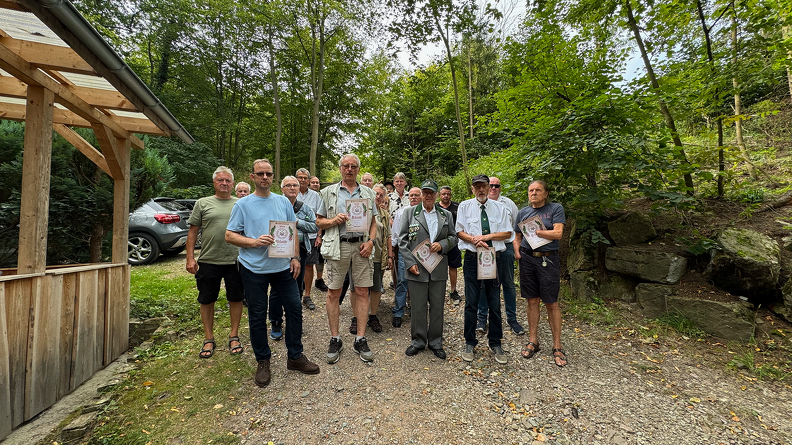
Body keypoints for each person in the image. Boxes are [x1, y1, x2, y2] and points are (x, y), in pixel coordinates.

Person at [226, 159, 319, 388]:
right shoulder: (243, 205)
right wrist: (253, 241)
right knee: (257, 315)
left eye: (268, 173)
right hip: (253, 269)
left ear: (273, 176)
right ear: (253, 177)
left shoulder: (283, 202)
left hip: (282, 268)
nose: (265, 177)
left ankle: (295, 357)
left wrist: (295, 257)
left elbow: (292, 230)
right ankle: (263, 361)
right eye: (260, 174)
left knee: (295, 309)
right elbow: (229, 235)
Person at [316, 154, 379, 363]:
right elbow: (319, 222)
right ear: (340, 169)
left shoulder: (369, 193)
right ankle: (335, 338)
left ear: (358, 170)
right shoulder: (327, 193)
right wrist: (334, 220)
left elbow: (373, 223)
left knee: (362, 291)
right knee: (334, 292)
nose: (349, 169)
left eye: (353, 166)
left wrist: (370, 242)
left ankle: (360, 338)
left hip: (362, 246)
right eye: (346, 166)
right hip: (338, 246)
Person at [186, 166, 245, 359]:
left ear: (233, 183)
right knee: (207, 299)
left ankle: (234, 335)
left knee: (236, 298)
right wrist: (189, 257)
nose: (224, 183)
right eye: (220, 180)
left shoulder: (240, 204)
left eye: (228, 180)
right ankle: (209, 338)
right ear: (214, 182)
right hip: (209, 259)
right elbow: (193, 232)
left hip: (235, 260)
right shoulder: (203, 203)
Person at [456, 174, 513, 364]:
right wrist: (473, 240)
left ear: (490, 188)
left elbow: (507, 233)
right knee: (471, 302)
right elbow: (459, 231)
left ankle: (495, 341)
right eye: (477, 186)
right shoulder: (465, 206)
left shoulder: (500, 208)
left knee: (494, 302)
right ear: (472, 189)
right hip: (473, 258)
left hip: (493, 258)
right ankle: (470, 342)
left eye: (484, 186)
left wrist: (486, 238)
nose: (481, 190)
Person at [399, 179, 457, 359]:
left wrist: (442, 244)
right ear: (421, 194)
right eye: (426, 192)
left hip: (438, 266)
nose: (429, 195)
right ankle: (417, 341)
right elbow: (402, 241)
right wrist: (410, 263)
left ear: (437, 194)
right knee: (417, 306)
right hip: (417, 267)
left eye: (432, 192)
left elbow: (454, 238)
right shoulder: (410, 213)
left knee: (437, 306)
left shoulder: (445, 215)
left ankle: (435, 342)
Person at [514, 180, 567, 367]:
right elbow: (517, 236)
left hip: (548, 258)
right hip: (527, 259)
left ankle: (557, 346)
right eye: (530, 190)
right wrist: (517, 251)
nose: (533, 193)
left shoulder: (555, 208)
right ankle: (533, 340)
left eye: (537, 190)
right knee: (532, 300)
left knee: (551, 302)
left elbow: (558, 233)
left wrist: (538, 232)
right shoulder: (523, 212)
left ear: (545, 193)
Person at [268, 175, 319, 341]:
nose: (292, 188)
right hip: (279, 251)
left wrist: (297, 222)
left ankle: (294, 322)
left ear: (299, 188)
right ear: (281, 188)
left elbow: (314, 225)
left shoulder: (305, 207)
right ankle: (276, 321)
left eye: (295, 185)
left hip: (301, 251)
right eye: (288, 185)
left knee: (297, 288)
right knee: (276, 289)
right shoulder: (273, 205)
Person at [477, 177, 524, 335]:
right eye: (490, 185)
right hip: (485, 249)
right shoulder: (477, 203)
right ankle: (482, 318)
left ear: (500, 187)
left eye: (496, 186)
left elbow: (517, 229)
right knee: (484, 284)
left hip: (506, 247)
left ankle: (512, 319)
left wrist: (517, 249)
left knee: (508, 284)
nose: (493, 188)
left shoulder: (508, 204)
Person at [390, 187, 421, 327]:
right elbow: (396, 232)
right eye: (412, 195)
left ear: (421, 196)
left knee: (420, 281)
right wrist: (392, 250)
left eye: (416, 195)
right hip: (405, 251)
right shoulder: (401, 212)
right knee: (402, 281)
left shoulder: (426, 212)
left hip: (423, 252)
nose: (413, 197)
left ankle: (417, 309)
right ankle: (398, 311)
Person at [296, 168, 325, 310]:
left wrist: (319, 235)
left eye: (305, 178)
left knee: (308, 265)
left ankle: (307, 295)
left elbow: (320, 217)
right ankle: (295, 294)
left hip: (312, 236)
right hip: (292, 237)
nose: (302, 180)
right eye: (299, 177)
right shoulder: (287, 194)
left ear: (309, 180)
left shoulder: (315, 196)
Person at [438, 186, 462, 305]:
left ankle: (453, 290)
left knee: (453, 266)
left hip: (453, 241)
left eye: (448, 194)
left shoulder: (457, 207)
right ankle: (438, 291)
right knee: (438, 267)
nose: (446, 196)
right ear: (439, 195)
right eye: (443, 194)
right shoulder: (435, 207)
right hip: (439, 243)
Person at [309, 176, 329, 293]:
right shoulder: (305, 196)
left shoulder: (322, 195)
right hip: (309, 231)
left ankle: (319, 279)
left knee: (320, 258)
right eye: (313, 182)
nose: (315, 184)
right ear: (309, 183)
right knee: (308, 259)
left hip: (321, 229)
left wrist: (319, 234)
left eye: (317, 182)